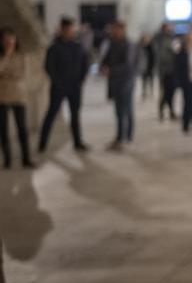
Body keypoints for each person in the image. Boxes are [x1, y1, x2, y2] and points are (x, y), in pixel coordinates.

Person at [38, 17, 90, 153]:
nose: (70, 31)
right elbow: (49, 67)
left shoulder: (78, 47)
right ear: (61, 30)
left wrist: (81, 79)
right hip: (58, 88)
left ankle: (78, 143)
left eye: (72, 29)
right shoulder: (54, 48)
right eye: (67, 29)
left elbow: (85, 64)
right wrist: (58, 82)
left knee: (75, 115)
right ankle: (42, 144)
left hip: (75, 87)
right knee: (51, 114)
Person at [100, 20, 140, 150]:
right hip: (115, 82)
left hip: (126, 82)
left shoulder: (129, 45)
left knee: (125, 110)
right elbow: (106, 59)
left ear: (122, 30)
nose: (113, 32)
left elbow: (128, 66)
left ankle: (124, 137)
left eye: (116, 29)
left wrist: (111, 70)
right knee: (119, 111)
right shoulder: (113, 43)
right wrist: (103, 67)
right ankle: (122, 136)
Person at [0, 28, 32, 169]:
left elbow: (21, 73)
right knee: (3, 130)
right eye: (6, 39)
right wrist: (6, 56)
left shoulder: (21, 55)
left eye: (11, 38)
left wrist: (6, 75)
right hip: (2, 95)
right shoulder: (2, 55)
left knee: (22, 128)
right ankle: (7, 160)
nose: (9, 41)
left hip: (19, 95)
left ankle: (26, 159)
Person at [152, 22, 178, 120]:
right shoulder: (159, 39)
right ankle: (161, 110)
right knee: (164, 92)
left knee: (172, 91)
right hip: (164, 70)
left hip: (172, 70)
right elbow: (160, 55)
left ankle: (171, 111)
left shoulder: (172, 38)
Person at [139, 33, 156, 100]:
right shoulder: (141, 47)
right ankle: (144, 92)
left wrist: (153, 66)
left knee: (151, 80)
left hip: (150, 67)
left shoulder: (151, 47)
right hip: (144, 67)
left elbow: (154, 58)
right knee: (144, 81)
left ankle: (151, 91)